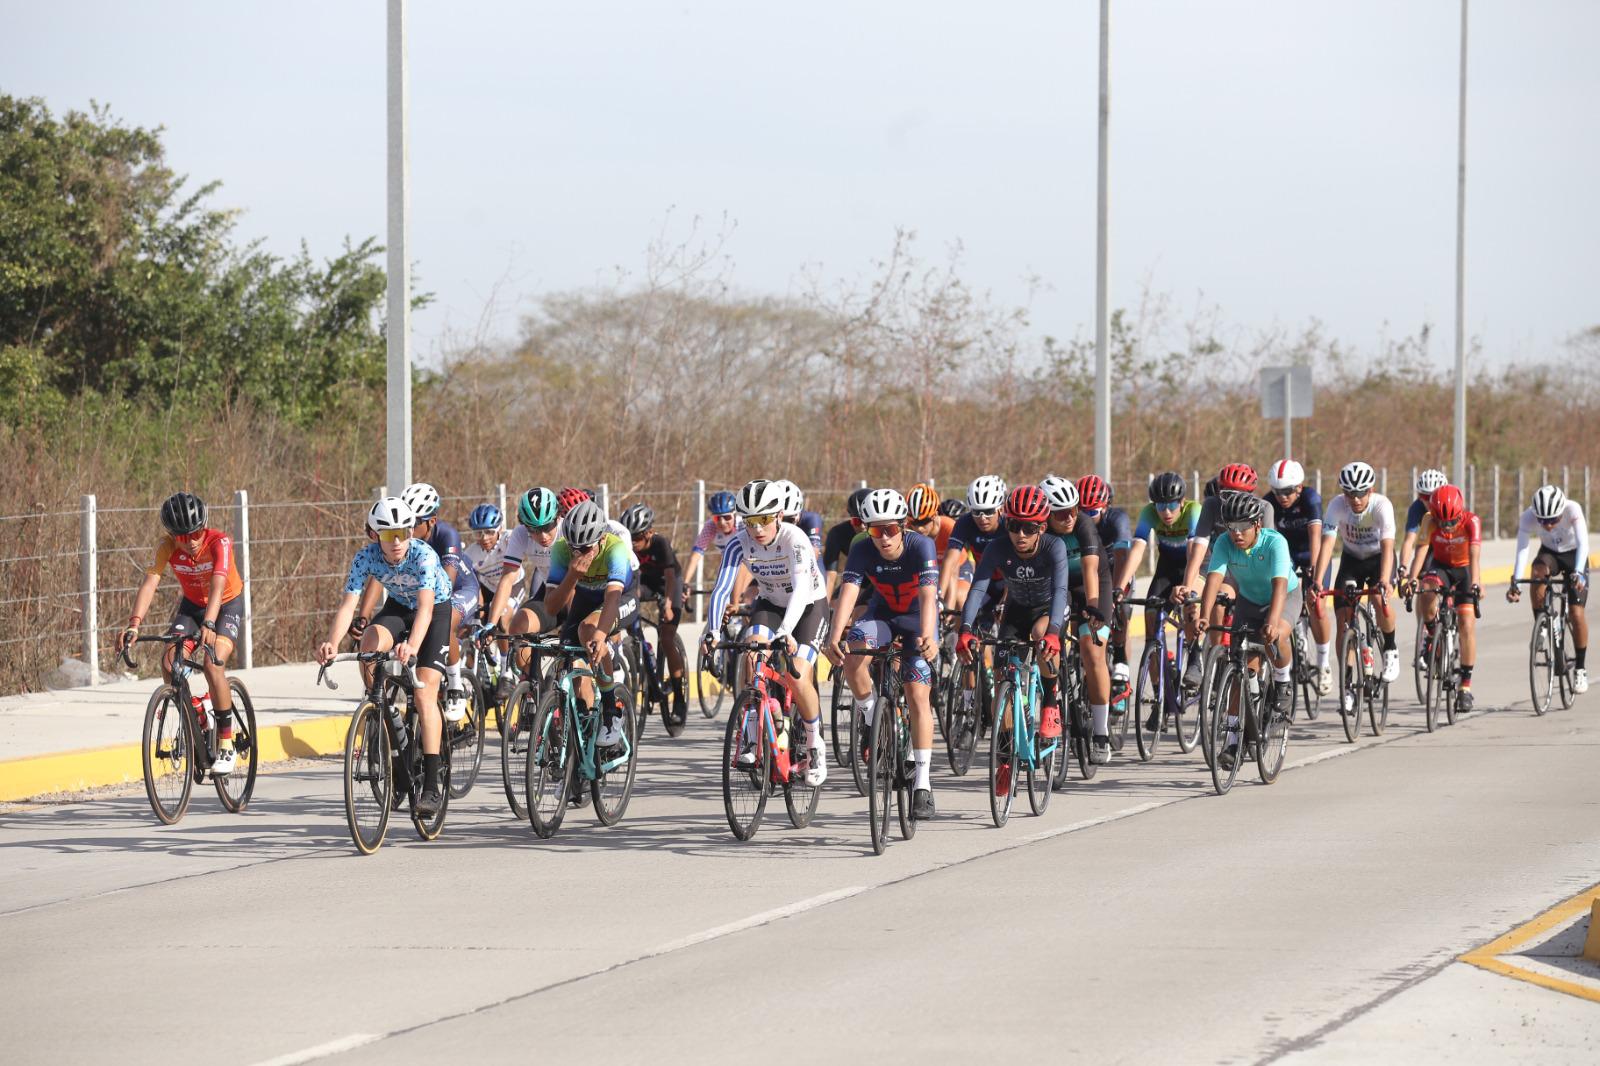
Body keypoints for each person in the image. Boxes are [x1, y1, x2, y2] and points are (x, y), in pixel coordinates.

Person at [317, 497, 453, 817]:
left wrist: (413, 648)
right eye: (388, 535)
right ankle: (382, 709)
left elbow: (426, 609)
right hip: (398, 609)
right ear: (373, 535)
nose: (397, 542)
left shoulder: (423, 555)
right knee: (369, 646)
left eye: (403, 532)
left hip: (432, 613)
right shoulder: (365, 557)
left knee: (424, 694)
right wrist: (331, 643)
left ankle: (431, 785)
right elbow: (349, 605)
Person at [707, 479, 830, 786]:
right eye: (750, 521)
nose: (757, 529)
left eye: (763, 520)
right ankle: (751, 734)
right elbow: (722, 588)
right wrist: (710, 629)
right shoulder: (738, 542)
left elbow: (802, 590)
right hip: (771, 603)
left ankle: (815, 744)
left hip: (808, 606)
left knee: (798, 673)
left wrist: (787, 632)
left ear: (777, 516)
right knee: (753, 653)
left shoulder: (795, 539)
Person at [827, 488, 940, 817]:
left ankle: (922, 784)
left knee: (918, 695)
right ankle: (871, 714)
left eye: (890, 529)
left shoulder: (922, 545)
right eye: (876, 530)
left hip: (917, 619)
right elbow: (848, 593)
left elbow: (930, 596)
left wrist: (929, 636)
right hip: (883, 616)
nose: (884, 538)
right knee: (852, 656)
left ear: (903, 525)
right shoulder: (861, 548)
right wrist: (836, 635)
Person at [117, 492, 245, 775]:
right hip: (192, 607)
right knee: (168, 663)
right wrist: (134, 624)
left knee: (213, 665)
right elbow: (150, 583)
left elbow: (218, 583)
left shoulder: (219, 542)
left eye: (197, 531)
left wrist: (210, 623)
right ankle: (192, 720)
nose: (192, 540)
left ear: (205, 526)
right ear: (173, 536)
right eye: (183, 536)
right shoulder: (166, 547)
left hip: (225, 605)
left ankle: (226, 742)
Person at [957, 485, 1069, 796]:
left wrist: (1054, 634)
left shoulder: (1054, 547)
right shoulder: (997, 548)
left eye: (1029, 527)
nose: (1020, 534)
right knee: (1002, 680)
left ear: (1041, 528)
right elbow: (978, 589)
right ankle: (1005, 758)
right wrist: (965, 628)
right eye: (1014, 525)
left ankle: (1050, 702)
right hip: (1017, 610)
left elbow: (1061, 591)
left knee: (1039, 636)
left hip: (1050, 609)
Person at [1196, 493, 1299, 772]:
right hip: (1250, 601)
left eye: (1243, 527)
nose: (1237, 533)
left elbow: (1279, 586)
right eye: (1231, 527)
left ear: (1257, 524)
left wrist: (1272, 621)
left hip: (1284, 596)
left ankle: (1282, 680)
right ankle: (1232, 741)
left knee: (1276, 634)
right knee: (1240, 668)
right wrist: (1204, 617)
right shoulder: (1224, 543)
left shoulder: (1275, 542)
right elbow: (1213, 581)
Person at [543, 500, 636, 748]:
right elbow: (551, 607)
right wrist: (573, 574)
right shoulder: (562, 550)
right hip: (586, 596)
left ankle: (610, 711)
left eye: (585, 547)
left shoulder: (615, 549)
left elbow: (613, 598)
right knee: (570, 660)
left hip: (619, 597)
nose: (579, 553)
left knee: (589, 631)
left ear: (601, 539)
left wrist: (601, 635)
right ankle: (584, 736)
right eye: (574, 548)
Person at [1040, 475, 1114, 764]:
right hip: (1057, 586)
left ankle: (1100, 731)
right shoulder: (1040, 529)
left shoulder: (1082, 524)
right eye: (1061, 513)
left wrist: (1094, 609)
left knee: (1091, 650)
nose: (1070, 517)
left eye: (1074, 509)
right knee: (1048, 639)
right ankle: (1053, 696)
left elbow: (1090, 570)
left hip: (1091, 584)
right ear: (1046, 514)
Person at [1318, 461, 1401, 684]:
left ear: (1370, 490)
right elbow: (1327, 545)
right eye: (1349, 493)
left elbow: (1387, 546)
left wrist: (1384, 579)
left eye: (1360, 493)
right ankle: (1347, 684)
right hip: (1352, 560)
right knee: (1344, 619)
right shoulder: (1336, 506)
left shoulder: (1382, 506)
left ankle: (1391, 649)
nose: (1355, 499)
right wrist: (1317, 581)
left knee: (1377, 597)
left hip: (1379, 559)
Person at [1404, 484, 1482, 710]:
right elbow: (1421, 551)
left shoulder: (1471, 521)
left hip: (1464, 569)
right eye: (1442, 522)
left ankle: (1465, 686)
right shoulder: (1429, 520)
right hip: (1441, 567)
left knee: (1466, 623)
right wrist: (1411, 578)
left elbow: (1475, 556)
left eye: (1451, 522)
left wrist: (1476, 583)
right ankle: (1431, 636)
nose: (1447, 527)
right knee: (1427, 591)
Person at [1508, 485, 1589, 694]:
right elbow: (1522, 549)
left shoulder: (1573, 509)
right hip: (1550, 554)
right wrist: (1516, 580)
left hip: (1574, 556)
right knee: (1537, 574)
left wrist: (1579, 572)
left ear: (1562, 511)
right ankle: (1542, 624)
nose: (1549, 525)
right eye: (1543, 522)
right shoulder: (1528, 517)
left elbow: (1583, 542)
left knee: (1576, 613)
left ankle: (1580, 668)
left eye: (1553, 520)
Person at [1263, 459, 1332, 694]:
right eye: (1277, 491)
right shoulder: (1269, 502)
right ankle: (1297, 633)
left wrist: (1314, 570)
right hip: (1288, 555)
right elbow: (1268, 538)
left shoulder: (1311, 499)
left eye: (1288, 491)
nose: (1282, 496)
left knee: (1317, 601)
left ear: (1299, 488)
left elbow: (1316, 535)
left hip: (1312, 552)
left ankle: (1323, 664)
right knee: (1282, 596)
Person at [620, 502, 688, 719]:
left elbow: (670, 578)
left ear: (649, 533)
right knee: (631, 604)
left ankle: (678, 696)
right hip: (645, 582)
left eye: (637, 537)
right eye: (630, 537)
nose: (633, 542)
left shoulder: (660, 544)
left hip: (668, 583)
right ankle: (641, 648)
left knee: (667, 637)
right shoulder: (626, 546)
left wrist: (667, 605)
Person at [1079, 474, 1134, 713]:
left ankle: (1121, 660)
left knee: (1121, 607)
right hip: (1090, 570)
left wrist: (1116, 591)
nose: (1087, 517)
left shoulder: (1117, 519)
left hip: (1114, 568)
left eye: (1093, 512)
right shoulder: (1077, 522)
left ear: (1106, 507)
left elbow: (1123, 556)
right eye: (1083, 511)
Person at [938, 475, 1007, 614]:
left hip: (1010, 581)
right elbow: (950, 560)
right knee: (965, 619)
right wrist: (938, 597)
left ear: (1000, 508)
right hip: (984, 581)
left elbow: (1015, 568)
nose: (982, 518)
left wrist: (1005, 601)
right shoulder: (965, 523)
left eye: (988, 512)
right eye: (976, 512)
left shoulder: (1009, 525)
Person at [682, 489, 739, 594]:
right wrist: (685, 583)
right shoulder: (710, 526)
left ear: (735, 515)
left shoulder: (742, 525)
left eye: (727, 517)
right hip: (730, 568)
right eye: (717, 518)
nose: (722, 522)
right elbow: (695, 556)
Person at [1398, 468, 1448, 583]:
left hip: (1451, 542)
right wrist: (1403, 566)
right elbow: (1409, 540)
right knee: (1422, 580)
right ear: (1419, 496)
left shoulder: (1449, 506)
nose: (1430, 502)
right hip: (1429, 544)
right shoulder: (1417, 508)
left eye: (1434, 496)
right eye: (1425, 496)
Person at [822, 488, 871, 598]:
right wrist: (823, 608)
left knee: (860, 610)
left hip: (883, 580)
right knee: (835, 606)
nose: (863, 526)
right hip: (858, 578)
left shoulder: (885, 534)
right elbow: (830, 575)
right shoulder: (838, 533)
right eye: (857, 521)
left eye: (866, 521)